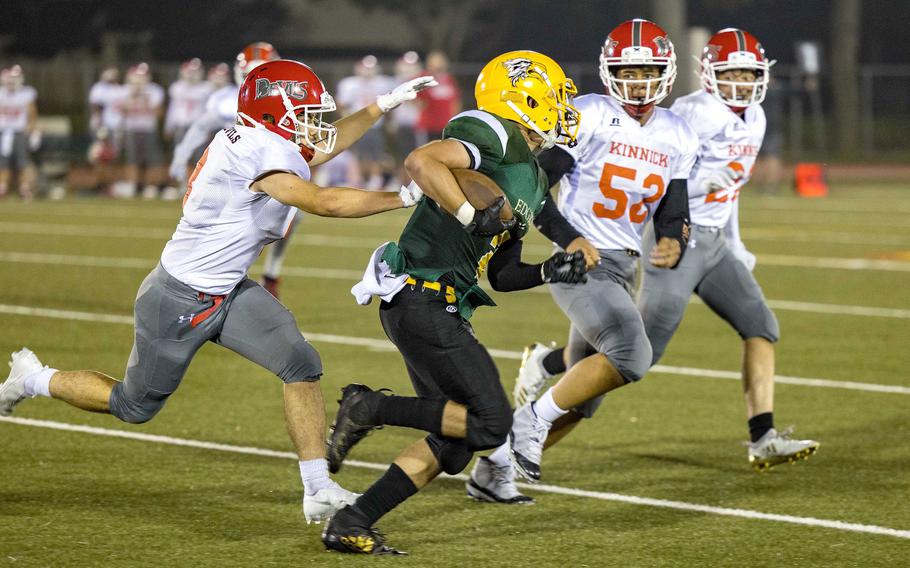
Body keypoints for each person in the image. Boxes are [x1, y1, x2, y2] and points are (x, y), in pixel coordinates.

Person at [0, 59, 433, 524]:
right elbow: (322, 200)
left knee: (300, 364)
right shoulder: (258, 154)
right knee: (133, 406)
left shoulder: (263, 139)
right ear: (275, 113)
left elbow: (321, 147)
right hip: (179, 298)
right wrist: (404, 197)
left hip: (227, 291)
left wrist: (381, 105)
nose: (314, 123)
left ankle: (317, 487)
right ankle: (32, 377)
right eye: (304, 112)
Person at [321, 50, 587, 554]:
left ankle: (352, 520)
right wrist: (468, 212)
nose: (563, 107)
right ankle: (366, 405)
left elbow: (503, 274)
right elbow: (422, 161)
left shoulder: (530, 176)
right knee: (492, 422)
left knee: (456, 442)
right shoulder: (495, 131)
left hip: (438, 305)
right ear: (523, 96)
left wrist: (550, 271)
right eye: (555, 96)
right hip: (422, 293)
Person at [473, 19, 695, 502]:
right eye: (628, 71)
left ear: (666, 71)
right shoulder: (589, 114)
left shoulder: (678, 133)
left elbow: (675, 208)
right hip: (581, 262)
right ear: (610, 72)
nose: (638, 81)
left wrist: (675, 239)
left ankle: (493, 474)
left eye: (647, 70)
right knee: (633, 356)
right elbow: (536, 185)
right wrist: (570, 238)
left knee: (585, 397)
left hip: (624, 266)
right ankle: (529, 420)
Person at [636, 28, 818, 470]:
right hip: (675, 235)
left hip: (714, 242)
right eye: (731, 73)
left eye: (748, 74)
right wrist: (700, 183)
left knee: (760, 325)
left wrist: (736, 242)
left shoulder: (755, 117)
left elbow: (731, 190)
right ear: (709, 73)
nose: (740, 82)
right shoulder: (692, 112)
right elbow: (656, 176)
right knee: (637, 354)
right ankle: (545, 375)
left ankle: (763, 437)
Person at [335, 55, 396, 190]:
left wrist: (389, 121)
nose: (368, 71)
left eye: (371, 68)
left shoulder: (383, 82)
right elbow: (341, 103)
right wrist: (347, 117)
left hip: (376, 125)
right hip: (358, 126)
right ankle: (361, 180)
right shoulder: (350, 84)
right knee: (360, 155)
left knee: (377, 154)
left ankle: (375, 180)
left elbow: (391, 104)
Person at [115, 63, 165, 199]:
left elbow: (158, 113)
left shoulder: (155, 90)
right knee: (132, 159)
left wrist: (144, 97)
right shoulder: (125, 90)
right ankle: (132, 185)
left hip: (148, 128)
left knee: (152, 159)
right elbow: (121, 111)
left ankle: (152, 186)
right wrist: (133, 96)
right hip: (131, 128)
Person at [0, 65, 39, 200]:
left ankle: (25, 188)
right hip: (3, 132)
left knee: (22, 162)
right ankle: (2, 187)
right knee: (2, 162)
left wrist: (34, 131)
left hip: (19, 132)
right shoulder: (1, 93)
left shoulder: (26, 93)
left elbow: (32, 114)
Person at [87, 67, 123, 194]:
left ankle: (107, 185)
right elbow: (97, 107)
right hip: (103, 127)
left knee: (111, 157)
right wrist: (100, 125)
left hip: (115, 127)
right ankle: (100, 184)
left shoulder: (119, 89)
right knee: (100, 156)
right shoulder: (99, 88)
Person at [415, 51, 461, 146]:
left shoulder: (449, 79)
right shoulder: (424, 79)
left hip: (446, 125)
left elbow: (455, 101)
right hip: (429, 125)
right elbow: (417, 100)